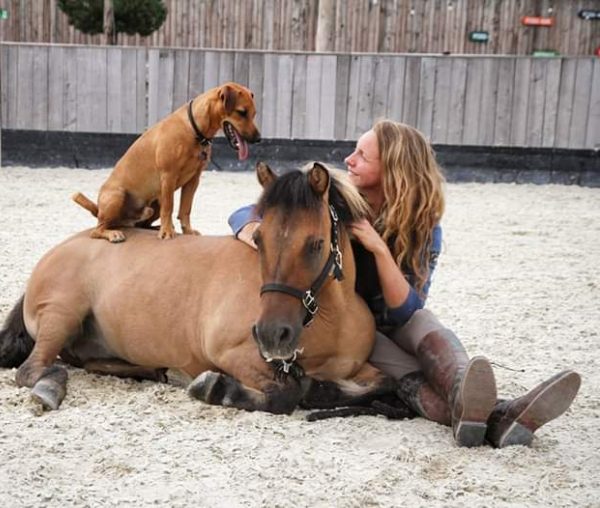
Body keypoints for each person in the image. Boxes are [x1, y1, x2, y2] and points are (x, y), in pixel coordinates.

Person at [227, 119, 581, 448]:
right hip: (356, 329)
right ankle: (503, 415)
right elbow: (260, 210)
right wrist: (248, 226)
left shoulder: (425, 226)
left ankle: (478, 400)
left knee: (424, 324)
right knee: (406, 374)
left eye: (362, 155)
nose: (349, 160)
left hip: (399, 321)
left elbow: (406, 311)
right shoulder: (336, 202)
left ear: (392, 169)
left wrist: (379, 250)